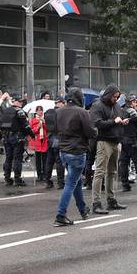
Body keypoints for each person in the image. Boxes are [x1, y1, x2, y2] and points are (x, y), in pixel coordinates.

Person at [50, 90, 96, 226]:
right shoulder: (82, 112)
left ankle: (83, 209)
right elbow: (90, 132)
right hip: (77, 150)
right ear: (79, 98)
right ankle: (60, 215)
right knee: (71, 183)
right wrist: (96, 131)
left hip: (63, 150)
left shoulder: (58, 111)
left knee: (75, 181)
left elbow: (54, 130)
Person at [89, 86, 129, 211]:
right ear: (108, 95)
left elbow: (116, 120)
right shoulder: (97, 105)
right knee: (100, 172)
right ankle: (96, 203)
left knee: (112, 172)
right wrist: (114, 121)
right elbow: (97, 123)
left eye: (117, 97)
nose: (116, 99)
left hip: (116, 141)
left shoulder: (116, 105)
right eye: (114, 97)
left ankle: (111, 200)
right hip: (104, 141)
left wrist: (122, 122)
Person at [0, 93, 26, 187]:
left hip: (7, 137)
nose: (21, 103)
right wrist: (31, 135)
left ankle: (7, 178)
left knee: (8, 158)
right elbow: (25, 126)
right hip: (16, 137)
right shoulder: (19, 111)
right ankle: (17, 179)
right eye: (19, 101)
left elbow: (1, 123)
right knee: (17, 159)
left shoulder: (6, 111)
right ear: (14, 102)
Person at [27, 104, 50, 186]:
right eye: (38, 110)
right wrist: (38, 127)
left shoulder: (45, 119)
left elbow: (48, 129)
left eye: (41, 110)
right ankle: (39, 175)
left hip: (44, 141)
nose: (40, 112)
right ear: (36, 111)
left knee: (45, 159)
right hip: (37, 141)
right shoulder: (33, 120)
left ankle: (44, 174)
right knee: (38, 160)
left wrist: (44, 123)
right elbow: (31, 131)